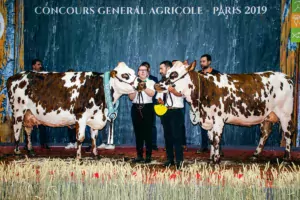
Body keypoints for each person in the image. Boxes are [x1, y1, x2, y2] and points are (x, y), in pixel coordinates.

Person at [157, 60, 185, 169]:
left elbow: (182, 94)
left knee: (177, 137)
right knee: (167, 137)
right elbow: (159, 96)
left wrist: (173, 91)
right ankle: (170, 159)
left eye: (161, 68)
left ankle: (179, 161)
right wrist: (160, 100)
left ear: (168, 69)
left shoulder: (179, 80)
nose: (160, 71)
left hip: (176, 111)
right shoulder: (161, 82)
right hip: (165, 111)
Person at [196, 54, 223, 156]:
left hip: (215, 105)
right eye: (201, 62)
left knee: (217, 126)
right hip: (202, 104)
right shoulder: (198, 74)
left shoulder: (217, 74)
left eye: (203, 61)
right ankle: (204, 147)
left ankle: (218, 148)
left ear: (209, 62)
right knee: (203, 124)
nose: (201, 63)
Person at [129, 64, 156, 163]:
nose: (142, 72)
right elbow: (131, 98)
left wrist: (144, 88)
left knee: (148, 133)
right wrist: (136, 89)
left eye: (144, 70)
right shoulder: (133, 82)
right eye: (140, 70)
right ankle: (139, 155)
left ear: (148, 72)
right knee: (138, 133)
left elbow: (152, 94)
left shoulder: (151, 82)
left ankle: (148, 156)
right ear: (138, 72)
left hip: (147, 108)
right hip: (136, 107)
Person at [24, 59, 50, 150]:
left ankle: (44, 144)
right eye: (38, 64)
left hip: (40, 104)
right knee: (28, 124)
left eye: (40, 65)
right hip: (30, 104)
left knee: (43, 123)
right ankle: (27, 144)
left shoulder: (43, 76)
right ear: (33, 66)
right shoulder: (28, 76)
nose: (40, 66)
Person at [140, 62, 159, 151]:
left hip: (151, 104)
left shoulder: (154, 79)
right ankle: (143, 143)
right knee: (141, 125)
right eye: (141, 70)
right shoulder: (137, 80)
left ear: (149, 69)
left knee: (152, 125)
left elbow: (156, 91)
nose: (143, 71)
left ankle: (153, 144)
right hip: (139, 104)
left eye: (146, 69)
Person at [172, 60, 188, 152]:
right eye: (173, 66)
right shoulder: (169, 77)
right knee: (170, 126)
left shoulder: (182, 77)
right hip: (169, 105)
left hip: (179, 104)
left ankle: (183, 144)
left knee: (180, 124)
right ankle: (171, 144)